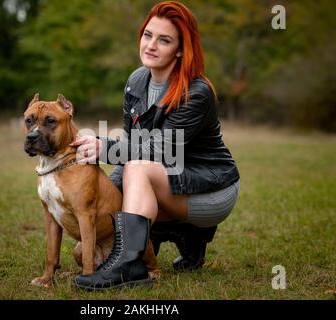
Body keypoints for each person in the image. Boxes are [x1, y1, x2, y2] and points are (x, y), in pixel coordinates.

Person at [70, 1, 240, 291]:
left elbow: (160, 151)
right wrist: (112, 195)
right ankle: (183, 234)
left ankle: (130, 268)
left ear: (181, 49)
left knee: (138, 167)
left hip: (210, 187)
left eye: (164, 40)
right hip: (163, 181)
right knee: (87, 251)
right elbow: (130, 142)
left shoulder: (196, 92)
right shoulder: (136, 80)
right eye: (148, 35)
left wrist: (104, 147)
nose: (151, 45)